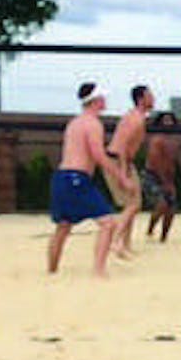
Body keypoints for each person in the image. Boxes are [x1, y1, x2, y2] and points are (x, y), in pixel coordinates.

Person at [48, 83, 131, 278]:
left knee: (63, 226)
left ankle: (52, 271)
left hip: (62, 177)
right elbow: (98, 155)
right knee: (108, 223)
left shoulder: (74, 123)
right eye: (103, 98)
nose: (106, 101)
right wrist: (121, 177)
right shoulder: (93, 124)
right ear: (96, 100)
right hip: (77, 178)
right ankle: (99, 271)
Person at [104, 84, 154, 257]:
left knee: (134, 203)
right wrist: (123, 174)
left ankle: (125, 245)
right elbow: (123, 147)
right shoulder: (135, 119)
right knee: (132, 205)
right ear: (141, 99)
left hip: (124, 162)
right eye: (149, 95)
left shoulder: (139, 117)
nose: (153, 98)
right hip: (117, 161)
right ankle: (115, 241)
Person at [143, 111, 179, 243]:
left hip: (167, 176)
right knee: (162, 204)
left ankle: (164, 236)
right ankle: (150, 230)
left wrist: (170, 181)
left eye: (171, 120)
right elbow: (155, 161)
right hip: (152, 175)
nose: (168, 123)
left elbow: (171, 162)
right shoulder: (156, 140)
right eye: (166, 120)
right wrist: (163, 181)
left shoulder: (174, 142)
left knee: (172, 207)